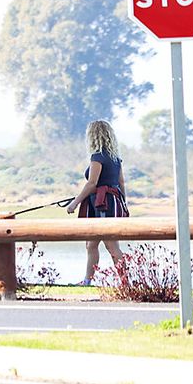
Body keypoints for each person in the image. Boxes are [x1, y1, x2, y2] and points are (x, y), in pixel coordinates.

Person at [66, 119, 128, 285]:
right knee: (91, 244)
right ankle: (88, 280)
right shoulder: (115, 158)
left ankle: (126, 283)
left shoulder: (97, 157)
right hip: (111, 202)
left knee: (111, 245)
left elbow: (92, 183)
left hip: (103, 204)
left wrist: (75, 203)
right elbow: (121, 183)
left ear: (93, 136)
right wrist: (124, 204)